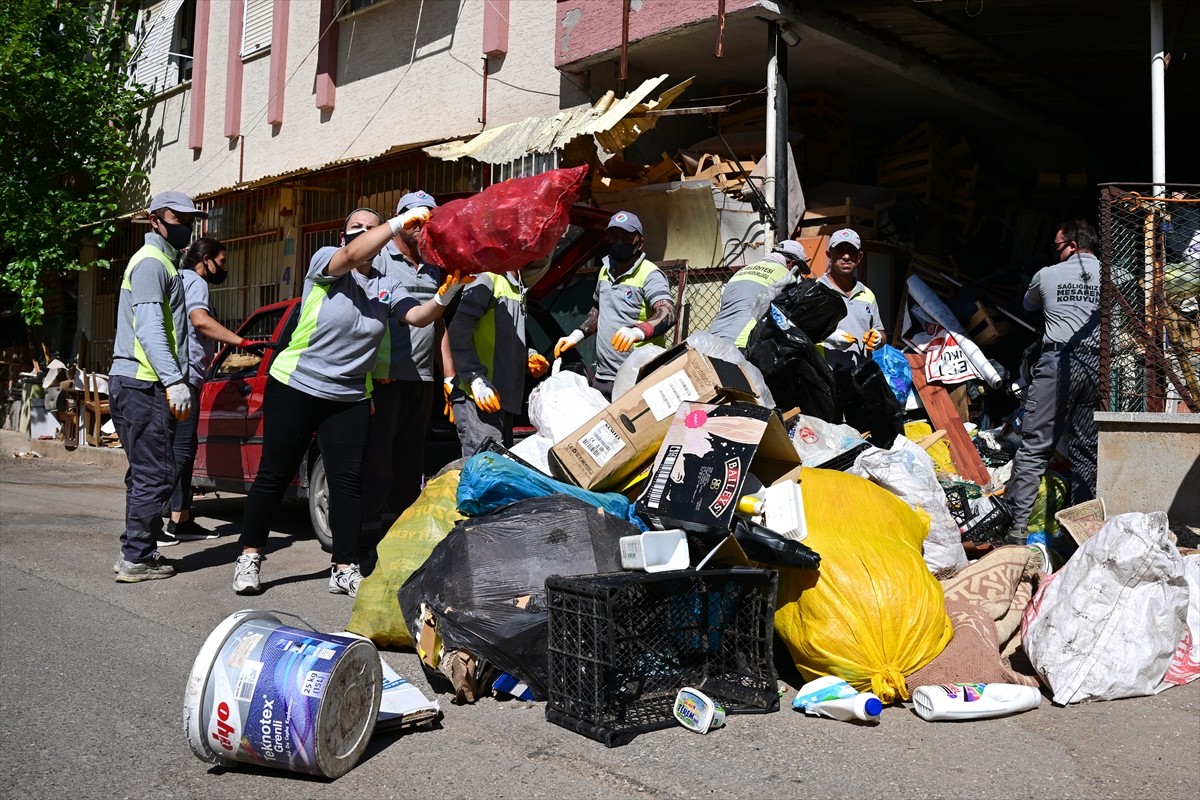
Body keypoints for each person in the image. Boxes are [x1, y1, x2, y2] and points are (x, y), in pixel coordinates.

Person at [232, 206, 470, 597]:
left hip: (349, 394)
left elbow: (419, 317)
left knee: (348, 483)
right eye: (354, 227)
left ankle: (343, 567)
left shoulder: (387, 286)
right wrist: (395, 223)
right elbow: (351, 256)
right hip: (297, 384)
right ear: (344, 236)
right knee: (275, 474)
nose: (360, 233)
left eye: (369, 228)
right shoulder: (327, 260)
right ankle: (250, 555)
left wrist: (448, 292)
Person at [108, 191, 201, 583]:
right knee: (157, 473)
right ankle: (136, 558)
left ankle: (136, 548)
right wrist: (175, 379)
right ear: (155, 221)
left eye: (190, 218)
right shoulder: (150, 264)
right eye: (177, 218)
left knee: (146, 471)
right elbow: (150, 329)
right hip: (144, 384)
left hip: (139, 382)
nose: (186, 225)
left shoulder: (163, 262)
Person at [360, 191, 450, 566]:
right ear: (399, 220)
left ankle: (399, 541)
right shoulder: (378, 257)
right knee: (378, 462)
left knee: (410, 464)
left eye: (427, 218)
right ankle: (365, 543)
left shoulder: (434, 266)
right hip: (385, 377)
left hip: (421, 379)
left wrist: (448, 377)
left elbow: (438, 319)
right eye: (415, 218)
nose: (421, 225)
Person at [161, 237, 271, 545]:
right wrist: (242, 342)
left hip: (174, 373)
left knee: (180, 448)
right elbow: (200, 320)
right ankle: (156, 520)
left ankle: (180, 518)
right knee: (181, 451)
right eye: (221, 262)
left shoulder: (178, 280)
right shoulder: (196, 280)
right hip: (185, 375)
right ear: (206, 259)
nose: (224, 268)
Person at [1004, 219, 1102, 544]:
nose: (1055, 253)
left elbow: (1029, 305)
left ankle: (1017, 531)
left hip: (1057, 364)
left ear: (1072, 246)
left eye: (1057, 247)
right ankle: (1081, 536)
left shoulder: (1046, 275)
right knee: (1086, 451)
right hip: (1095, 368)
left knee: (1035, 447)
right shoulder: (1115, 277)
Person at [553, 211, 675, 399]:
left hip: (637, 376)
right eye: (614, 235)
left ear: (639, 242)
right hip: (602, 376)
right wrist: (578, 334)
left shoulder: (650, 274)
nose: (619, 242)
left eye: (627, 237)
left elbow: (668, 312)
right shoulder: (605, 270)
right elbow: (599, 309)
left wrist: (638, 331)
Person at [447, 265, 549, 456]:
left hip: (502, 397)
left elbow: (505, 336)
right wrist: (475, 378)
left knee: (498, 469)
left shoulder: (518, 284)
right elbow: (458, 331)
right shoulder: (487, 279)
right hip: (480, 396)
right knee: (483, 470)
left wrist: (527, 356)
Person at [708, 239, 809, 349]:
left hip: (713, 338)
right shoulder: (786, 277)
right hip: (743, 343)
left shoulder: (742, 271)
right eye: (800, 271)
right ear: (792, 264)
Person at [817, 228, 884, 369]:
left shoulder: (867, 294)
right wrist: (828, 336)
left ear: (859, 257)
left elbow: (880, 331)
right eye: (840, 250)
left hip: (861, 377)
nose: (846, 256)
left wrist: (879, 338)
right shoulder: (815, 291)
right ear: (829, 255)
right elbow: (797, 332)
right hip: (825, 377)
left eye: (851, 251)